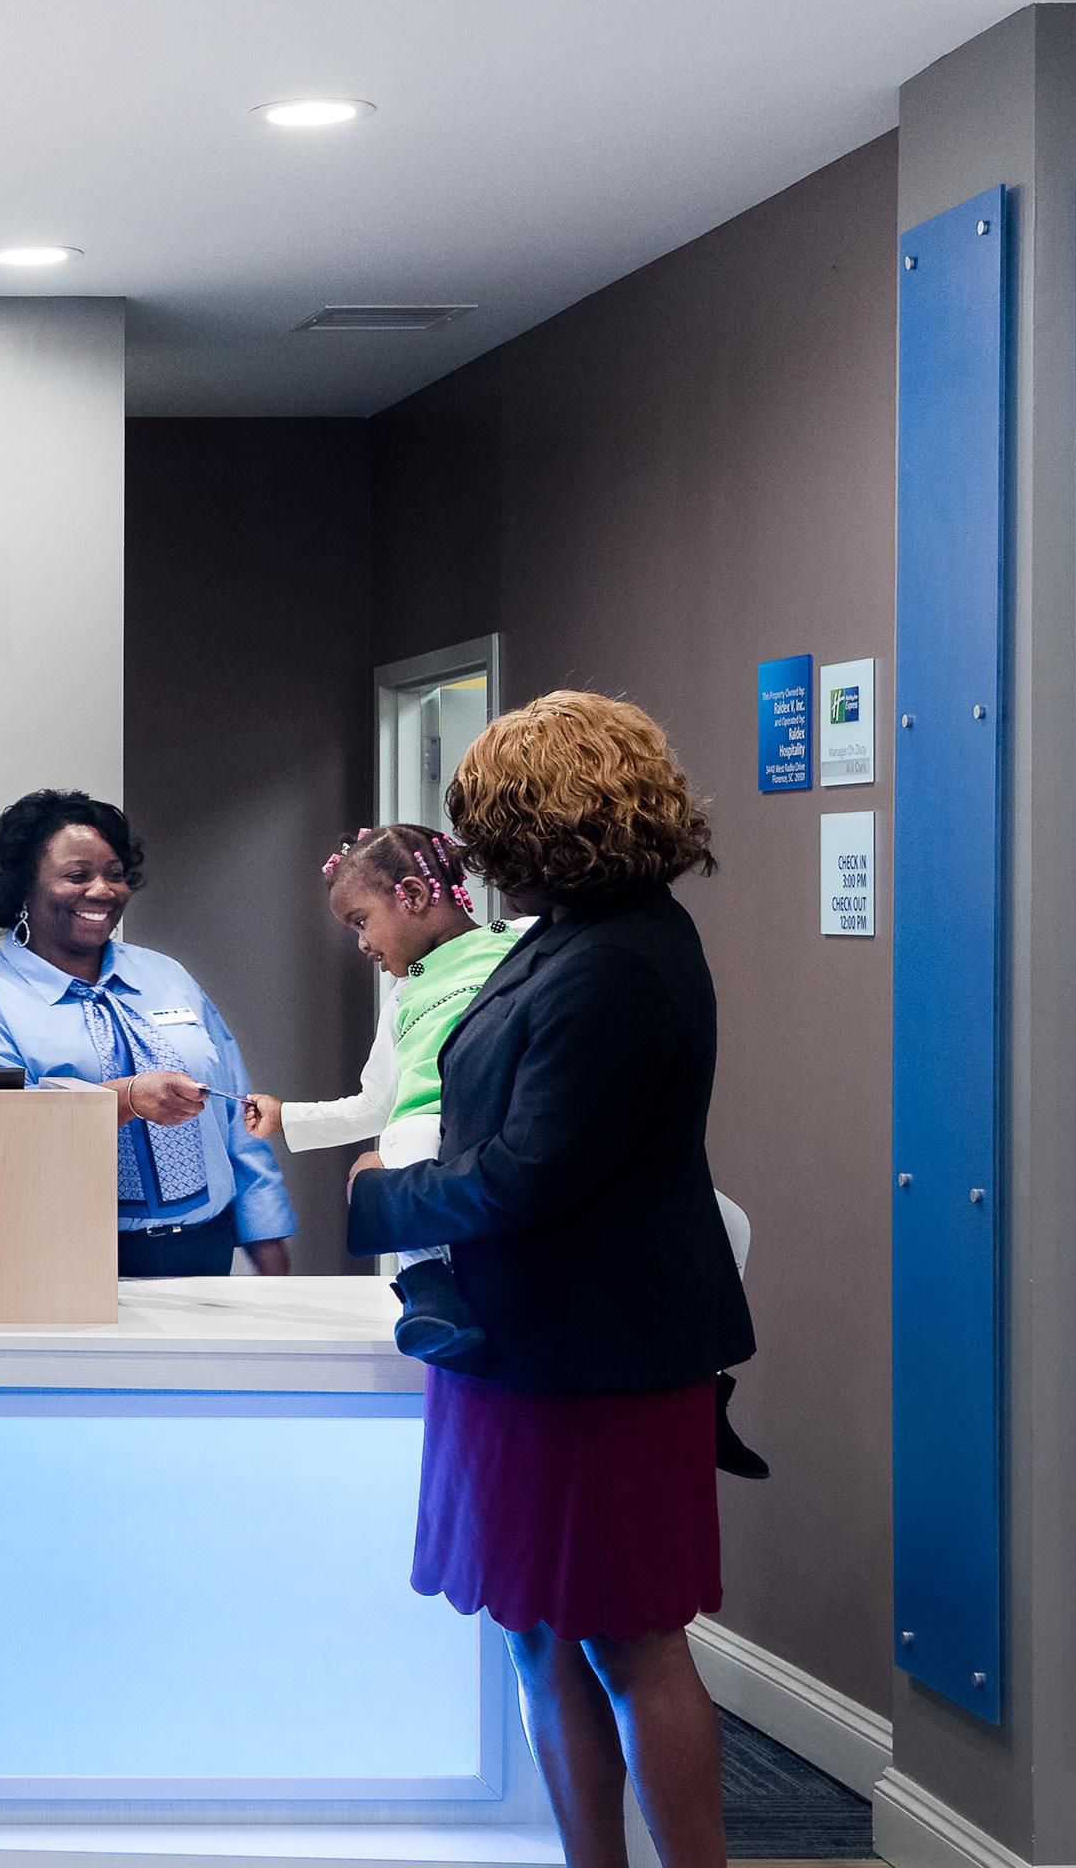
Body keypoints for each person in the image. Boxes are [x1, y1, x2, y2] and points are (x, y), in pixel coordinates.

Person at [344, 691, 754, 1868]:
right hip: (532, 1345)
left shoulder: (614, 961)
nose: (471, 853)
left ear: (543, 823)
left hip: (595, 1360)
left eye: (485, 826)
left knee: (632, 1641)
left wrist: (383, 1196)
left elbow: (532, 1173)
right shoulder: (577, 934)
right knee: (539, 1630)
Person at [0, 789, 294, 1277]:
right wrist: (125, 1100)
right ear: (22, 888)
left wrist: (267, 1239)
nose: (102, 891)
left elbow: (236, 1115)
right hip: (58, 1258)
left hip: (204, 1248)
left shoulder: (166, 975)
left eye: (114, 874)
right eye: (78, 876)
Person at [238, 824, 529, 1361]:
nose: (362, 944)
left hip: (504, 1117)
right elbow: (374, 1105)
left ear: (412, 896)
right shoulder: (404, 995)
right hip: (426, 1126)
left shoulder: (519, 940)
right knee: (394, 1151)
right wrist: (286, 1117)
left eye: (361, 921)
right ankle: (429, 1289)